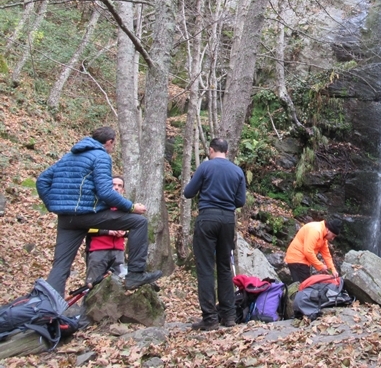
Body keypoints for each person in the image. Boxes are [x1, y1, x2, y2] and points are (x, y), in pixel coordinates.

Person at [36, 127, 162, 296]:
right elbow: (105, 191)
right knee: (139, 222)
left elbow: (42, 180)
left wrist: (52, 204)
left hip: (67, 219)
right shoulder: (101, 156)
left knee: (60, 266)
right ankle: (135, 274)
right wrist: (131, 207)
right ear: (109, 142)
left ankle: (47, 312)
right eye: (113, 144)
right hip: (89, 214)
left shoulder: (68, 157)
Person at [184, 138, 247, 331]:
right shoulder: (237, 171)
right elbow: (241, 201)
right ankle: (228, 317)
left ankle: (210, 318)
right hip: (228, 220)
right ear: (226, 151)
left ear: (211, 150)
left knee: (205, 268)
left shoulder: (206, 167)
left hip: (208, 217)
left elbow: (188, 192)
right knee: (224, 267)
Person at [85, 176, 128, 286]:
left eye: (119, 186)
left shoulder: (125, 209)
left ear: (123, 190)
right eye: (113, 185)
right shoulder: (97, 205)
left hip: (118, 253)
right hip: (98, 251)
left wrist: (124, 233)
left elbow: (132, 229)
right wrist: (107, 231)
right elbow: (85, 228)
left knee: (120, 287)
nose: (116, 188)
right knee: (93, 286)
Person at [285, 218, 342, 283]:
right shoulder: (316, 230)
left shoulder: (323, 237)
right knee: (303, 287)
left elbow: (326, 255)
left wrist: (332, 270)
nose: (332, 239)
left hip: (302, 261)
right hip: (297, 259)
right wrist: (321, 266)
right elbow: (308, 252)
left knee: (305, 286)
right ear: (328, 230)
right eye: (333, 236)